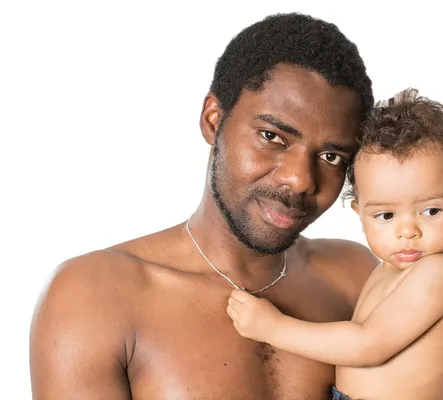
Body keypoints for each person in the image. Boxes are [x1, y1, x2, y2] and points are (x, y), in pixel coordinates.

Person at [29, 13, 380, 399]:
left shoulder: (356, 278)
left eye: (331, 157)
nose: (300, 179)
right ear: (214, 120)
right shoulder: (95, 298)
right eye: (272, 136)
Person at [227, 88, 443, 400]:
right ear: (360, 214)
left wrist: (274, 328)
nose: (408, 231)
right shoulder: (387, 269)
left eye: (430, 211)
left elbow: (368, 344)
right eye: (386, 215)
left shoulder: (439, 271)